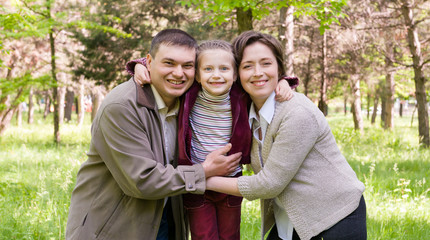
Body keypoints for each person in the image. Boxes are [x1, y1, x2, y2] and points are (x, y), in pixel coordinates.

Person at [65, 29, 243, 240]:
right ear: (149, 62)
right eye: (169, 63)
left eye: (187, 66)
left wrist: (282, 83)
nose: (178, 73)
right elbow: (142, 181)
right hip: (115, 228)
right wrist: (203, 172)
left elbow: (242, 78)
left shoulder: (187, 101)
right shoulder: (122, 107)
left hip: (167, 218)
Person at [127, 40, 298, 240]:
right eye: (208, 69)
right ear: (197, 75)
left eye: (224, 69)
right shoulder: (188, 93)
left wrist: (284, 82)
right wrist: (139, 65)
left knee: (230, 235)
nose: (216, 75)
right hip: (196, 182)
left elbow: (265, 79)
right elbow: (164, 66)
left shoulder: (241, 95)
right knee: (203, 236)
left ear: (234, 75)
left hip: (231, 180)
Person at [206, 31, 367, 240]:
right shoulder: (244, 111)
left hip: (335, 216)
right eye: (247, 66)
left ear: (279, 69)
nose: (257, 72)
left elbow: (269, 183)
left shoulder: (297, 113)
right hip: (292, 218)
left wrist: (201, 179)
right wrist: (147, 65)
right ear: (237, 73)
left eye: (266, 63)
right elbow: (200, 75)